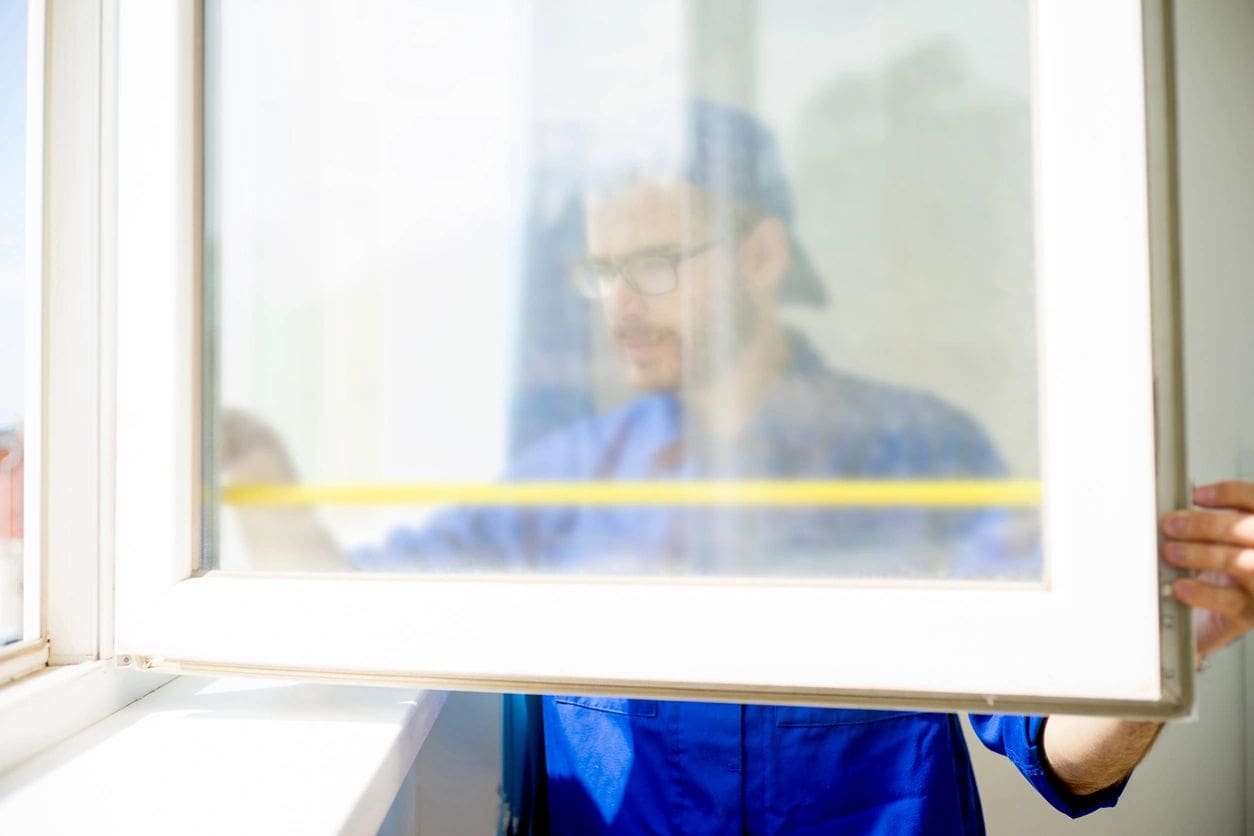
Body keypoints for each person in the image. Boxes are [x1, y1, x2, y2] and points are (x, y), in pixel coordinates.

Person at [222, 100, 1254, 834]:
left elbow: (1060, 749)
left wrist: (1159, 655)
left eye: (655, 266)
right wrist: (248, 464)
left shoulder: (922, 457)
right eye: (601, 274)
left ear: (761, 255)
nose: (621, 306)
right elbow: (347, 605)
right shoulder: (560, 485)